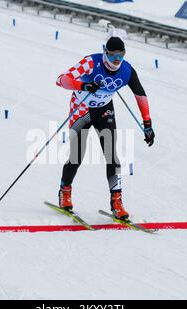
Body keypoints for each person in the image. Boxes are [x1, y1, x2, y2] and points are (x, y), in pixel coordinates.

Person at [55, 36, 155, 221]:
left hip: (104, 110)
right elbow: (61, 80)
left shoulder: (126, 70)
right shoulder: (91, 62)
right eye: (112, 55)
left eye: (121, 55)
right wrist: (83, 84)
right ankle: (65, 191)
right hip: (81, 109)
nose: (117, 60)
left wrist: (147, 124)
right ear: (105, 52)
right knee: (77, 154)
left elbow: (140, 95)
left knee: (111, 154)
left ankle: (116, 202)